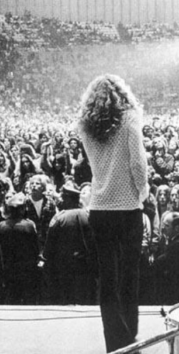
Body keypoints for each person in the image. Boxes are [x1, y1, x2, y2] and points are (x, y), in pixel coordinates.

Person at [78, 74, 148, 352]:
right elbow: (138, 163)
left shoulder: (85, 125)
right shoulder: (130, 118)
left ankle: (114, 344)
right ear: (122, 94)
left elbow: (96, 166)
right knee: (130, 276)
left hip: (99, 208)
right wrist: (141, 193)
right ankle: (130, 339)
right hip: (128, 209)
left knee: (108, 278)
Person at [42, 184, 97, 305]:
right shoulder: (88, 216)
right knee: (84, 298)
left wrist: (45, 258)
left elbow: (49, 245)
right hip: (85, 264)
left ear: (67, 199)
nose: (60, 200)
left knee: (66, 299)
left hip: (64, 265)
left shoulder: (60, 217)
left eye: (62, 198)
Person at [0, 194, 41, 304]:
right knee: (28, 297)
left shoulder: (2, 225)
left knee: (12, 295)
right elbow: (35, 246)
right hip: (26, 266)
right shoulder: (29, 225)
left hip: (9, 266)